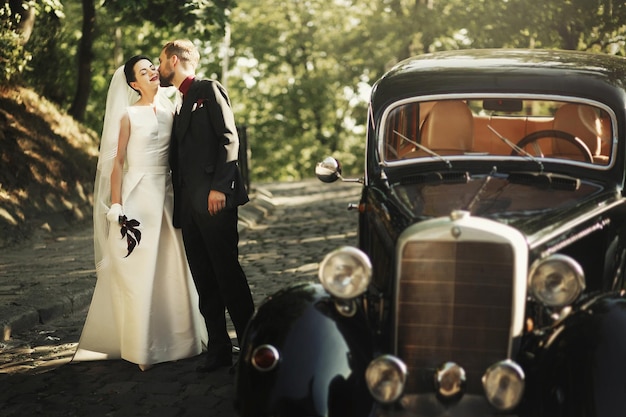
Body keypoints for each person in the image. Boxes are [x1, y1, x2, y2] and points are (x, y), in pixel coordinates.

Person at [73, 55, 207, 371]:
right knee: (139, 267)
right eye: (143, 72)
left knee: (173, 265)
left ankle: (181, 340)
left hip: (170, 195)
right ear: (133, 83)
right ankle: (141, 344)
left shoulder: (174, 109)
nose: (151, 73)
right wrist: (117, 205)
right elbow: (117, 164)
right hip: (138, 195)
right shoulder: (128, 115)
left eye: (152, 69)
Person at [158, 40, 254, 373]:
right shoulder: (180, 102)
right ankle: (218, 348)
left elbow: (230, 138)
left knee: (228, 274)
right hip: (188, 207)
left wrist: (219, 188)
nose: (159, 69)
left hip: (215, 202)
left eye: (161, 62)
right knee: (203, 278)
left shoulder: (208, 90)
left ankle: (252, 345)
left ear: (174, 60)